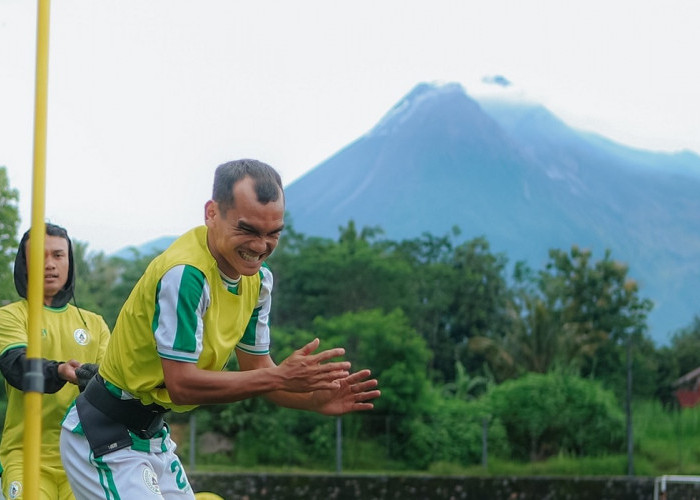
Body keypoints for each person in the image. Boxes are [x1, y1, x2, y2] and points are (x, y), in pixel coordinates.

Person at [60, 159, 380, 499]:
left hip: (152, 436)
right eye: (248, 230)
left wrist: (312, 399)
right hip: (106, 434)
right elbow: (182, 384)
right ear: (212, 213)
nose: (260, 246)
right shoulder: (186, 275)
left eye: (273, 233)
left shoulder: (258, 282)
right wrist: (281, 378)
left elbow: (259, 372)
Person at [0, 223, 111, 499]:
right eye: (39, 256)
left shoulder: (94, 324)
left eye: (58, 255)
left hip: (86, 458)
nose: (49, 264)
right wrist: (59, 371)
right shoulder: (11, 316)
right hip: (26, 457)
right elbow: (18, 367)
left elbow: (112, 384)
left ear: (69, 262)